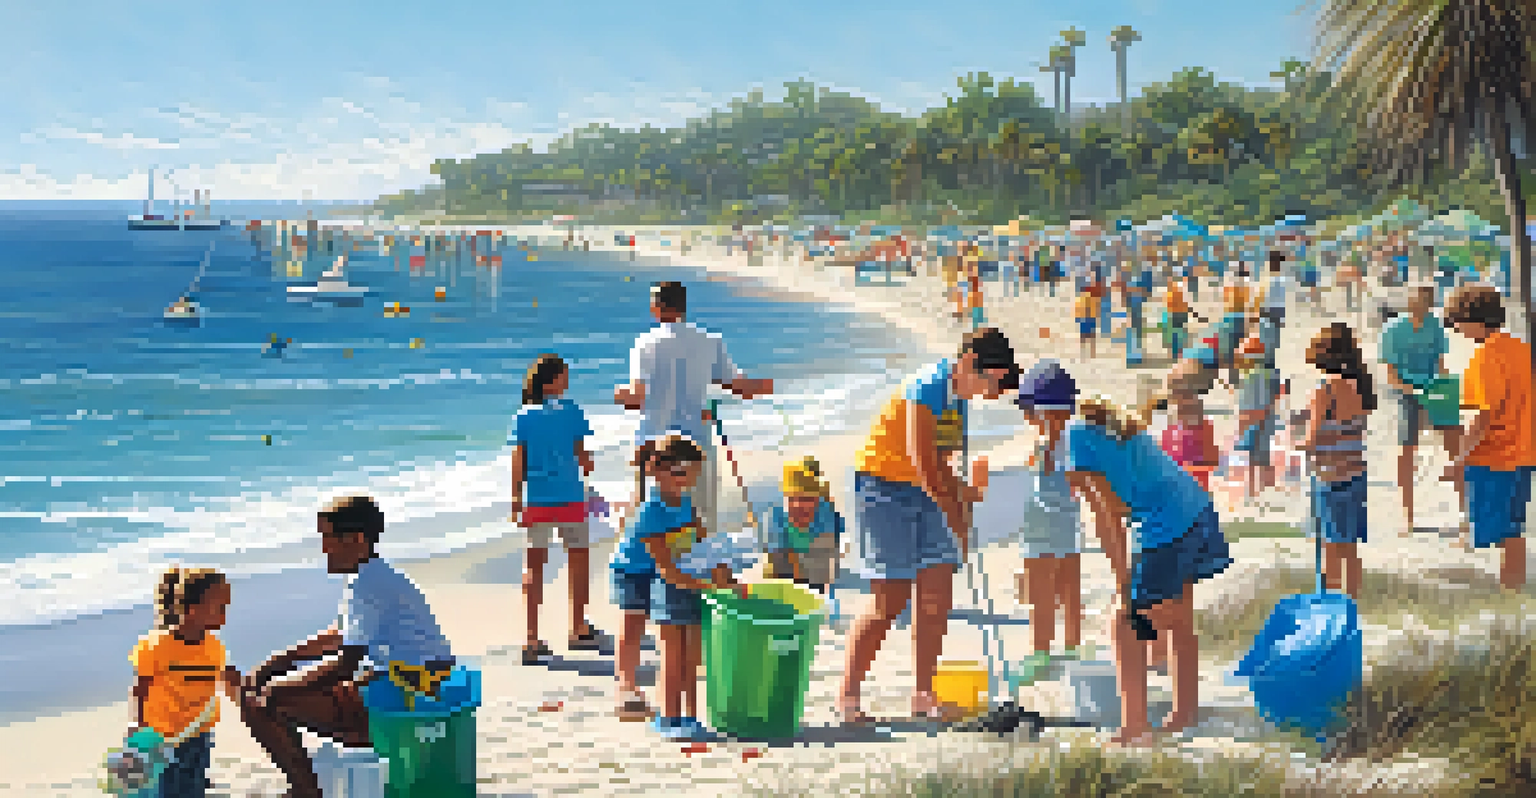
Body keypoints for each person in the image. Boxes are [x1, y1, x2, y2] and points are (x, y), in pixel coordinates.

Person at [838, 328, 1020, 723]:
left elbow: (945, 466)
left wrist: (966, 505)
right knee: (891, 600)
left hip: (927, 491)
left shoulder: (960, 398)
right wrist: (956, 516)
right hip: (883, 488)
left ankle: (923, 695)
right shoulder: (925, 389)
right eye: (992, 382)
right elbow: (926, 468)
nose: (991, 393)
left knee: (936, 598)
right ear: (970, 362)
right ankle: (848, 697)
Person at [238, 496, 455, 798]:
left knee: (260, 702)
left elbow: (345, 664)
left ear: (355, 539)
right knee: (277, 688)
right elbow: (341, 636)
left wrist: (276, 686)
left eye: (327, 537)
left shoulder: (367, 585)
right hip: (416, 689)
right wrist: (277, 663)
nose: (323, 548)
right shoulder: (374, 575)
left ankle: (304, 791)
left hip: (409, 701)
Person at [1062, 395, 1231, 745]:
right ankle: (1184, 715)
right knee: (1179, 620)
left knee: (1125, 623)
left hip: (1168, 525)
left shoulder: (1072, 441)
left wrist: (1124, 583)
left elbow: (1108, 518)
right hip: (1197, 511)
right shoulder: (1096, 426)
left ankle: (1135, 728)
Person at [632, 433, 745, 741]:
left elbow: (705, 546)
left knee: (692, 657)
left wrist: (727, 578)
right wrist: (707, 584)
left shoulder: (685, 503)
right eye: (680, 474)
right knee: (672, 656)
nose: (685, 482)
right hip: (670, 592)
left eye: (691, 475)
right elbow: (666, 569)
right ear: (657, 470)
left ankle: (691, 716)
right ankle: (669, 717)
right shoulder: (650, 512)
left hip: (695, 586)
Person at [511, 354, 602, 665]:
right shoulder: (572, 411)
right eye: (564, 376)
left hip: (537, 499)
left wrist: (515, 499)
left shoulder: (523, 415)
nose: (567, 381)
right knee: (578, 561)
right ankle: (577, 628)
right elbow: (584, 459)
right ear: (551, 381)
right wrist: (586, 466)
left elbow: (518, 461)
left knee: (534, 567)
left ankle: (531, 638)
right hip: (570, 497)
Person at [1442, 286, 1535, 589]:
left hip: (1494, 455)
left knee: (1499, 531)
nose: (1455, 328)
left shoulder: (1485, 357)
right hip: (1523, 451)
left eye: (1457, 320)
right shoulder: (1520, 348)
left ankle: (1510, 591)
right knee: (1513, 530)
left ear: (1474, 319)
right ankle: (1514, 592)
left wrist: (1459, 458)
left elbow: (1482, 417)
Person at [131, 568, 241, 798]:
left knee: (194, 788)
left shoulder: (214, 647)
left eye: (226, 608)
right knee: (165, 790)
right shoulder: (158, 646)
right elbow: (141, 688)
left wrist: (250, 698)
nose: (224, 617)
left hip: (199, 735)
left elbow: (229, 679)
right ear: (192, 609)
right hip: (162, 738)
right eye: (219, 609)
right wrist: (138, 727)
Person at [1013, 361, 1084, 673]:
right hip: (1069, 520)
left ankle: (1040, 653)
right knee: (1069, 589)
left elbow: (1040, 469)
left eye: (1029, 412)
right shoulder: (1077, 440)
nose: (1027, 418)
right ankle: (1072, 646)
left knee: (1040, 593)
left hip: (1041, 525)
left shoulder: (1047, 441)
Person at [1299, 324, 1374, 599]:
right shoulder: (1359, 387)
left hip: (1329, 476)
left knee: (1329, 546)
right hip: (1356, 473)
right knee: (1349, 545)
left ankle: (1329, 605)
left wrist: (1296, 441)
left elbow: (1312, 439)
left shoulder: (1323, 391)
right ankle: (1351, 602)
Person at [1379, 285, 1463, 536]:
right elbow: (1391, 376)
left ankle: (1465, 511)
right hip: (1407, 391)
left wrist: (1447, 394)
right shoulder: (1393, 329)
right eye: (1421, 298)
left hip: (1434, 387)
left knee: (1455, 443)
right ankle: (1408, 517)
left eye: (1428, 299)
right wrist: (1415, 391)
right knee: (1406, 450)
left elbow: (1441, 365)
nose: (1425, 303)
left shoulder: (1435, 326)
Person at [762, 456, 846, 593]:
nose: (798, 506)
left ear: (817, 500)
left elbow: (827, 564)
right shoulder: (775, 516)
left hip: (816, 552)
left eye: (806, 499)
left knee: (815, 578)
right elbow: (777, 561)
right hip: (787, 551)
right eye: (792, 499)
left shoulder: (827, 516)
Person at [1233, 337, 1282, 499]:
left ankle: (1257, 489)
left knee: (1257, 456)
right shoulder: (1261, 374)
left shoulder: (1255, 376)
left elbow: (1259, 403)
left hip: (1257, 418)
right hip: (1260, 417)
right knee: (1261, 455)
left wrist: (1250, 420)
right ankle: (1262, 488)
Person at [1074, 284, 1099, 360]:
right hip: (1089, 318)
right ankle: (1091, 352)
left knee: (1085, 337)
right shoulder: (1090, 299)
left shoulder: (1081, 299)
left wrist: (1077, 318)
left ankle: (1085, 352)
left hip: (1086, 318)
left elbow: (1078, 309)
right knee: (1090, 336)